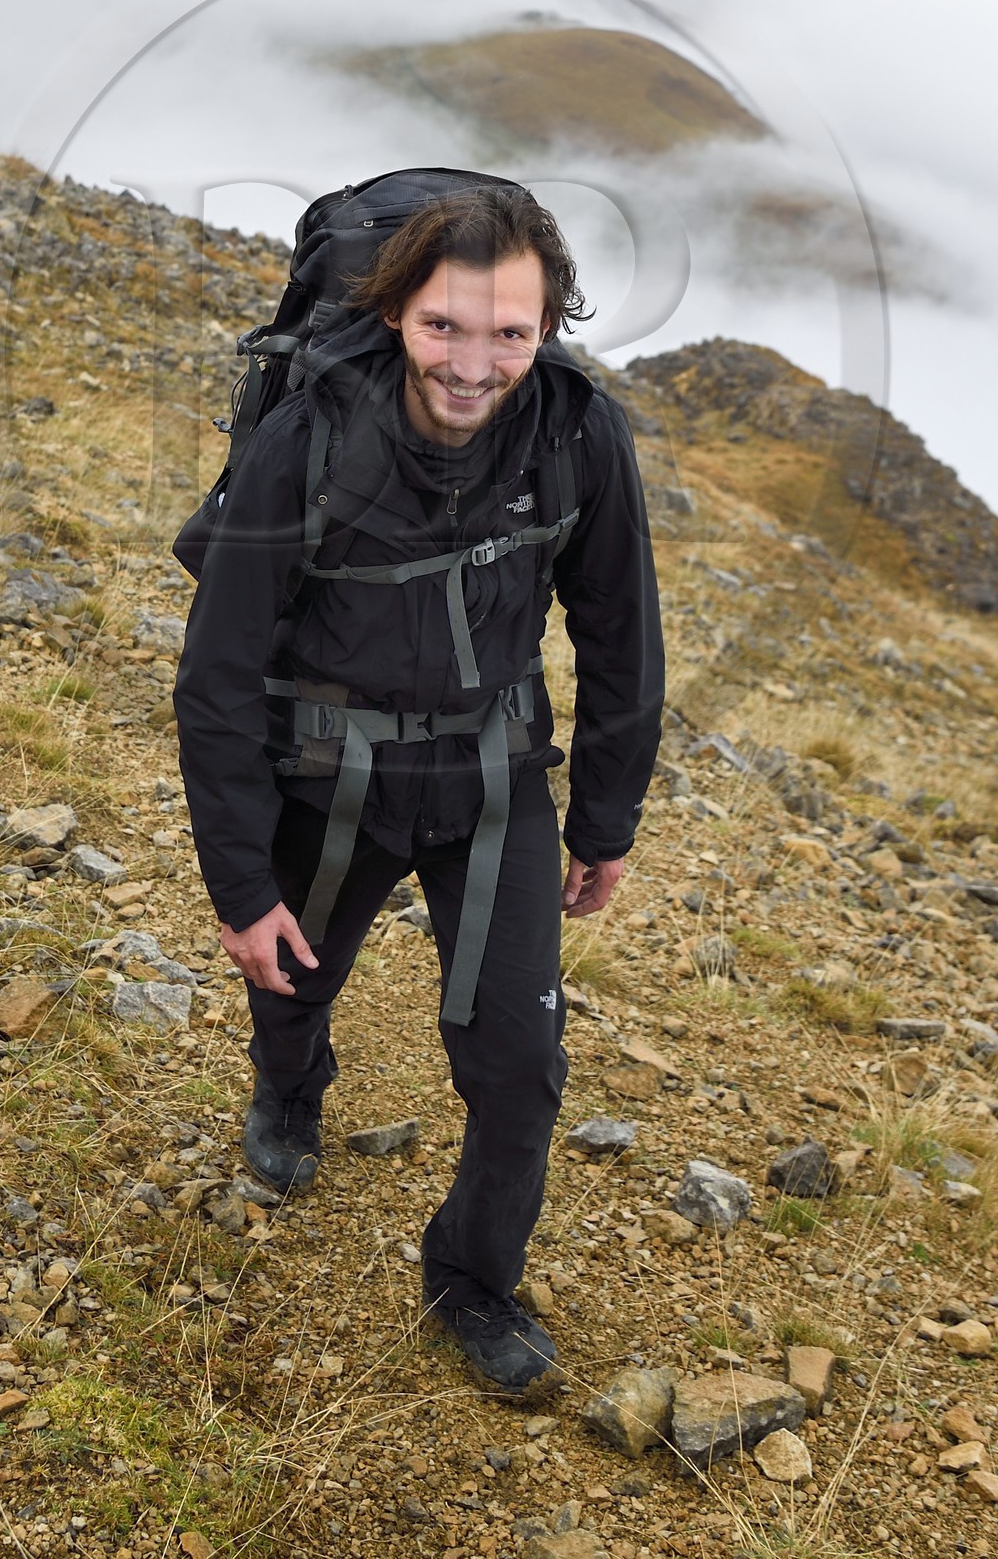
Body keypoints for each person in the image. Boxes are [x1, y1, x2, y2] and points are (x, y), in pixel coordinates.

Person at [174, 183, 663, 1392]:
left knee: (519, 1067)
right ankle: (290, 1091)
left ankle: (472, 1280)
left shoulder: (578, 434)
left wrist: (604, 818)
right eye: (445, 326)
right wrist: (240, 888)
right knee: (291, 975)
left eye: (510, 333)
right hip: (327, 773)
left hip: (494, 781)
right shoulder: (308, 438)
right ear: (395, 310)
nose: (474, 365)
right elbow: (217, 673)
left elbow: (620, 634)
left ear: (549, 326)